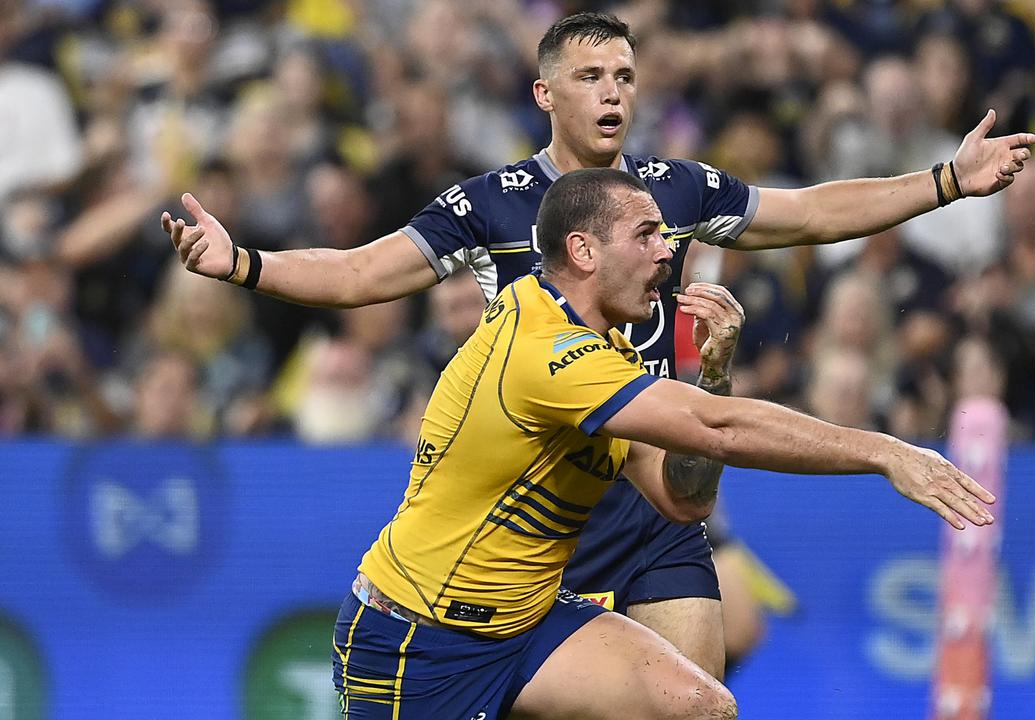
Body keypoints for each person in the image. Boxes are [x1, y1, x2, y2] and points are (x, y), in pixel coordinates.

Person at [162, 11, 1034, 680]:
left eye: (624, 74)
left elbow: (806, 213)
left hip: (653, 481)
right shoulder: (493, 203)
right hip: (539, 502)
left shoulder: (671, 191)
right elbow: (357, 275)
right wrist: (242, 262)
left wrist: (945, 181)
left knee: (696, 693)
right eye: (589, 76)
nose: (614, 92)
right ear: (546, 96)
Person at [332, 167, 995, 719]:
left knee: (698, 705)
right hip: (417, 640)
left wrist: (711, 376)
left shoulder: (607, 350)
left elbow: (683, 498)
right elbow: (718, 427)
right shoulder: (545, 352)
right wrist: (883, 452)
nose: (667, 252)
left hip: (525, 625)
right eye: (647, 235)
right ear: (585, 252)